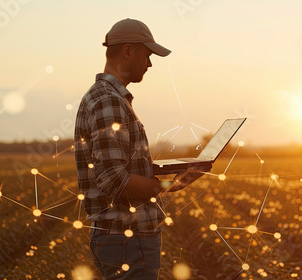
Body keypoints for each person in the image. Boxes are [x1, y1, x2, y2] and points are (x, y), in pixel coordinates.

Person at [74, 18, 211, 280]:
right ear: (128, 51)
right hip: (128, 238)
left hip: (122, 239)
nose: (149, 63)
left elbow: (118, 168)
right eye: (147, 55)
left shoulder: (105, 97)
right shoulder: (108, 101)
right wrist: (168, 185)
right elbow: (115, 179)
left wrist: (168, 174)